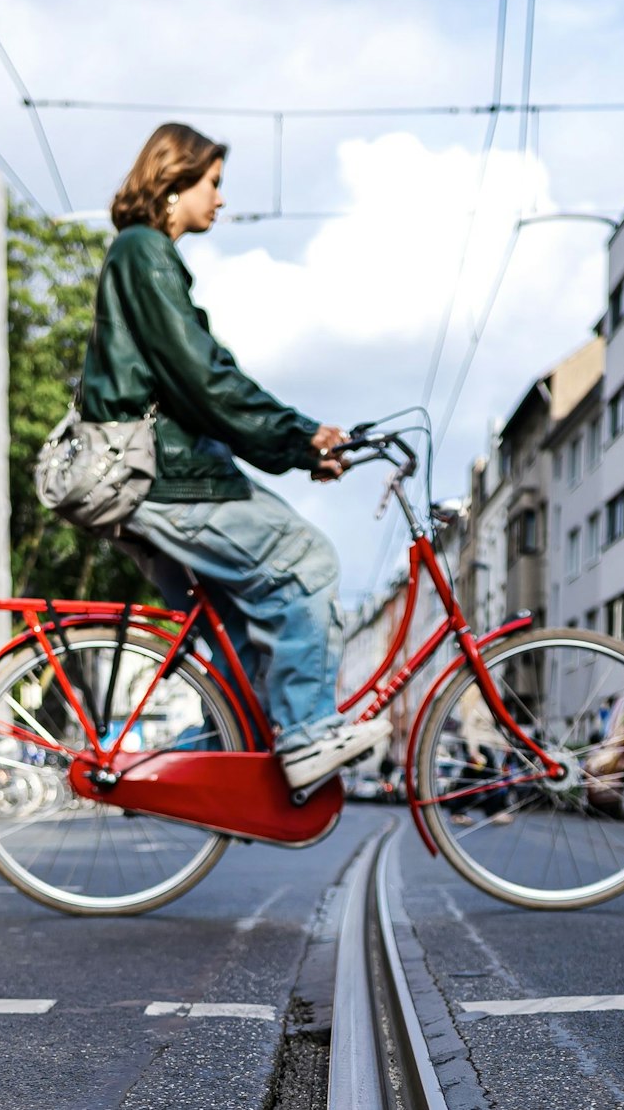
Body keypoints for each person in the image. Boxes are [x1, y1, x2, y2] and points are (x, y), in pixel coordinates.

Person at [82, 122, 389, 791]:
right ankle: (307, 736)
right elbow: (205, 378)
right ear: (173, 182)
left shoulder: (142, 257)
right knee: (307, 559)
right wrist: (299, 435)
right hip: (168, 479)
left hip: (161, 479)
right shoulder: (144, 253)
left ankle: (197, 774)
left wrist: (297, 447)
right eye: (213, 183)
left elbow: (204, 383)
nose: (220, 199)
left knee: (237, 647)